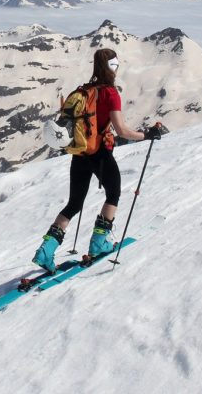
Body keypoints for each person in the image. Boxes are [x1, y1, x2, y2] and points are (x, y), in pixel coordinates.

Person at [32, 48, 163, 272]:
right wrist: (147, 135)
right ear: (112, 66)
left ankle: (45, 251)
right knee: (113, 194)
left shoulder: (84, 91)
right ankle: (99, 243)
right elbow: (121, 130)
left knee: (74, 204)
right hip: (100, 153)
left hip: (80, 153)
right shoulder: (110, 93)